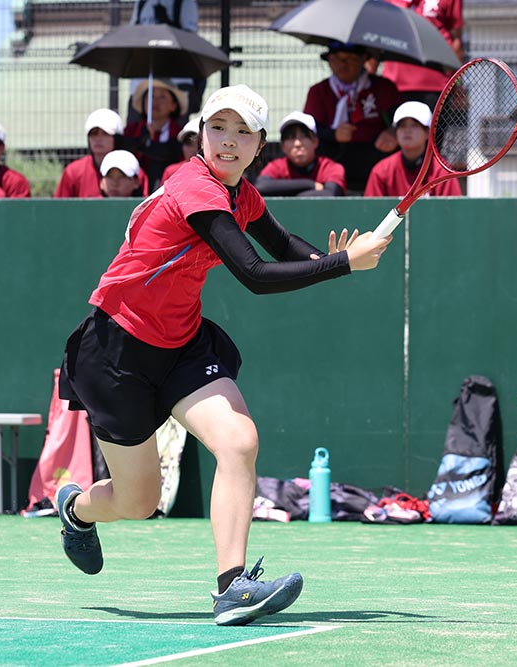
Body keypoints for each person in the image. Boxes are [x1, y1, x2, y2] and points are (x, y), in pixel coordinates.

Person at [53, 84, 391, 627]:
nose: (228, 141)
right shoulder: (194, 187)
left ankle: (233, 588)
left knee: (239, 440)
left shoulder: (242, 194)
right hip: (117, 351)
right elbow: (254, 274)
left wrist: (333, 259)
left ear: (260, 146)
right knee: (138, 501)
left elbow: (283, 246)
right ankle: (75, 509)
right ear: (200, 135)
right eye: (218, 128)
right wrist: (343, 264)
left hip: (182, 344)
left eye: (242, 132)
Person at [303, 41, 401, 194]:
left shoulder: (383, 87)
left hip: (376, 156)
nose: (342, 65)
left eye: (350, 59)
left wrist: (393, 132)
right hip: (335, 157)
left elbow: (401, 120)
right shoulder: (319, 91)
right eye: (336, 59)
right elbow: (309, 130)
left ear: (363, 59)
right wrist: (333, 134)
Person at [376, 0, 465, 109]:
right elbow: (376, 36)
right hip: (395, 84)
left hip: (436, 84)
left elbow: (456, 41)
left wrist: (457, 85)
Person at [365, 101, 461, 198]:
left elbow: (453, 207)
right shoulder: (381, 171)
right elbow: (370, 207)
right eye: (402, 125)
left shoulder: (442, 173)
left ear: (428, 132)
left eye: (415, 125)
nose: (407, 130)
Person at [55, 109, 147, 198]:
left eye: (105, 133)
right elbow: (59, 206)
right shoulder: (73, 171)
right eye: (93, 133)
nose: (98, 138)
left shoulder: (134, 171)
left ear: (117, 138)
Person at [255, 111, 346, 197]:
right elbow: (261, 186)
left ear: (315, 141)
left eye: (304, 136)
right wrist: (310, 185)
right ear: (283, 146)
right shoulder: (277, 166)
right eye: (291, 137)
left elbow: (330, 193)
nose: (297, 143)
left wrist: (288, 194)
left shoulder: (329, 167)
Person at [124, 79, 188, 189]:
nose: (155, 101)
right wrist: (142, 140)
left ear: (173, 105)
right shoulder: (132, 131)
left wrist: (151, 145)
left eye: (162, 97)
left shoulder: (181, 134)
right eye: (151, 96)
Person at [160, 118, 201, 183]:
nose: (192, 149)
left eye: (198, 143)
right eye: (187, 142)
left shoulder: (216, 173)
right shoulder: (172, 172)